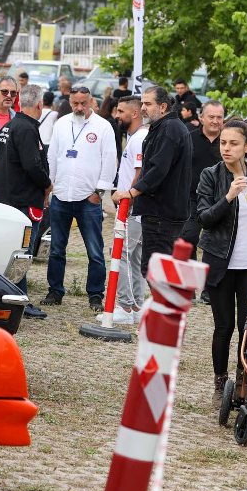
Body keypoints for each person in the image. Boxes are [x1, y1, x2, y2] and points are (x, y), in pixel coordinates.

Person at [195, 120, 247, 405]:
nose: (226, 148)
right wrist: (228, 197)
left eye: (233, 143)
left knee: (246, 327)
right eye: (223, 143)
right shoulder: (211, 176)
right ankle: (220, 382)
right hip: (220, 262)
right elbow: (204, 218)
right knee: (223, 326)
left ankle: (242, 381)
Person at [41, 85, 118, 310]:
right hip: (62, 195)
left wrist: (99, 192)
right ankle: (55, 291)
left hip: (88, 198)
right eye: (75, 103)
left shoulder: (103, 126)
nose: (79, 107)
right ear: (70, 101)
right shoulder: (62, 123)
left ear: (91, 101)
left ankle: (95, 294)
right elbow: (52, 156)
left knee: (94, 250)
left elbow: (110, 160)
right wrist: (50, 185)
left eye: (84, 103)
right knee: (56, 248)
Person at [111, 85, 193, 277]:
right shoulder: (163, 127)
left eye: (148, 104)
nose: (143, 108)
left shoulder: (170, 129)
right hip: (160, 212)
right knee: (155, 268)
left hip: (162, 215)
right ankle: (163, 305)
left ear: (163, 107)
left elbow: (158, 170)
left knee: (155, 270)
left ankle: (164, 306)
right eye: (142, 103)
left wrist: (131, 193)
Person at [0, 83, 51, 320]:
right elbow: (32, 165)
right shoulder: (25, 128)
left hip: (6, 198)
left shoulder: (11, 125)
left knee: (13, 251)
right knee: (22, 252)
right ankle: (19, 299)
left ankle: (12, 295)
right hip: (20, 202)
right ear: (39, 104)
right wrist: (47, 184)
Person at [106, 96, 148, 324]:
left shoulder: (140, 138)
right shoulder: (135, 138)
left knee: (121, 253)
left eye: (121, 111)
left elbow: (140, 173)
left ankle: (124, 306)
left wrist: (129, 199)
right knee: (133, 258)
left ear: (134, 114)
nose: (116, 115)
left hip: (131, 210)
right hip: (132, 209)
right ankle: (135, 306)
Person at [181, 100, 224, 261]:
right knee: (188, 237)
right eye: (211, 116)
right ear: (201, 118)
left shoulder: (228, 141)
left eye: (219, 117)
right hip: (192, 198)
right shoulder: (188, 139)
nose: (215, 121)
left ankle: (211, 281)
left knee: (218, 242)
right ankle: (189, 279)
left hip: (222, 199)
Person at [37, 91, 57, 155]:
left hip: (37, 142)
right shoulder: (55, 114)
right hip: (48, 143)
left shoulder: (37, 112)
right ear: (52, 102)